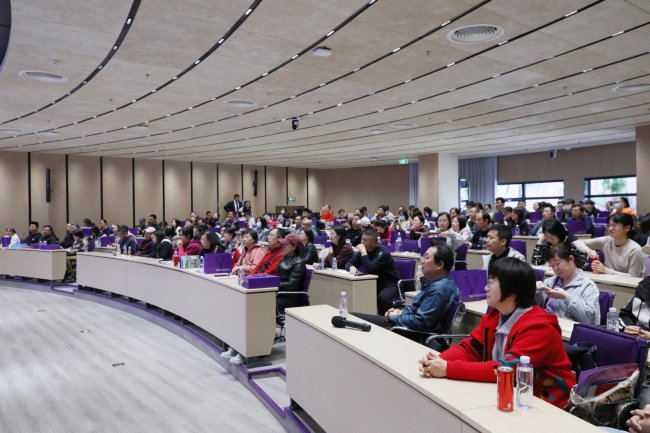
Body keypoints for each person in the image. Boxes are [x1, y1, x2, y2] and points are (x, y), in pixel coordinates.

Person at [418, 258, 575, 409]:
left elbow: (506, 369)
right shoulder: (495, 315)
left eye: (491, 282)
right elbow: (470, 348)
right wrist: (439, 360)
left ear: (512, 289)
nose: (486, 288)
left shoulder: (540, 328)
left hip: (545, 405)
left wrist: (448, 368)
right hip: (508, 394)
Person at [353, 245, 459, 333]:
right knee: (353, 317)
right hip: (404, 323)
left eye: (427, 258)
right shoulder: (441, 283)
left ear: (440, 264)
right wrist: (400, 312)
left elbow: (420, 324)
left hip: (409, 333)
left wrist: (394, 317)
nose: (422, 261)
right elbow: (416, 312)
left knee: (355, 323)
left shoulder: (439, 289)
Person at [535, 244, 600, 324]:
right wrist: (537, 292)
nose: (555, 269)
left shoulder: (588, 286)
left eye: (558, 264)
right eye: (552, 266)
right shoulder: (549, 282)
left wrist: (567, 297)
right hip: (545, 323)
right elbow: (536, 309)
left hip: (567, 329)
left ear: (571, 259)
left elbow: (591, 320)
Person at [346, 229, 400, 315]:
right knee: (359, 293)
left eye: (365, 240)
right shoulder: (364, 251)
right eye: (362, 239)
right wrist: (351, 267)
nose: (362, 243)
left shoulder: (383, 253)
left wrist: (363, 251)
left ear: (373, 243)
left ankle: (385, 319)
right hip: (373, 282)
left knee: (383, 297)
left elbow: (371, 269)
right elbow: (349, 263)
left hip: (390, 284)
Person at [574, 213, 644, 277]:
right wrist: (588, 250)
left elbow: (633, 276)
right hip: (609, 280)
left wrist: (606, 270)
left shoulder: (635, 250)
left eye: (614, 226)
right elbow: (577, 242)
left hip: (628, 285)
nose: (610, 228)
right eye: (609, 225)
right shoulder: (606, 240)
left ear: (627, 228)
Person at [276, 233, 307, 312]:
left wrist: (274, 284)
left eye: (286, 245)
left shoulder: (299, 262)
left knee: (264, 300)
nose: (283, 246)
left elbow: (291, 285)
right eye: (283, 244)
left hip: (287, 296)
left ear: (294, 247)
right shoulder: (284, 258)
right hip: (278, 292)